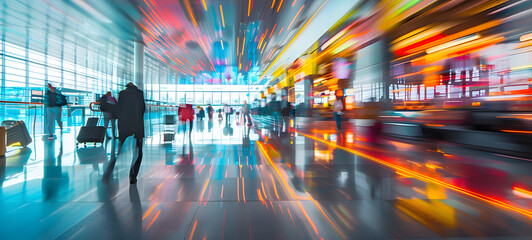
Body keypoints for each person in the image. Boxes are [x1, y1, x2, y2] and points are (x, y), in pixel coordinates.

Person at [117, 82, 146, 184]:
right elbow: (143, 109)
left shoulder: (122, 94)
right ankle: (133, 176)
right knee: (138, 151)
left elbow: (118, 109)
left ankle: (110, 169)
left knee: (118, 149)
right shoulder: (139, 93)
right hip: (137, 124)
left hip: (124, 124)